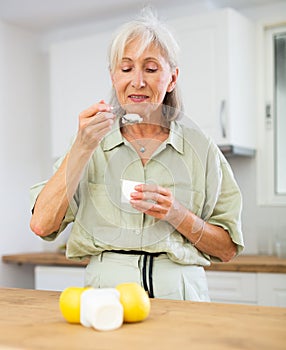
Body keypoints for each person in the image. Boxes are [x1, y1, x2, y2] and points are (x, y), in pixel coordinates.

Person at [30, 8, 244, 301]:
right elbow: (42, 224)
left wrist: (177, 214)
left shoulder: (202, 148)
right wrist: (81, 146)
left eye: (151, 68)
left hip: (182, 298)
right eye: (126, 68)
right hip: (106, 298)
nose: (138, 81)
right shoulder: (88, 143)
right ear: (113, 77)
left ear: (172, 79)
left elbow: (227, 249)